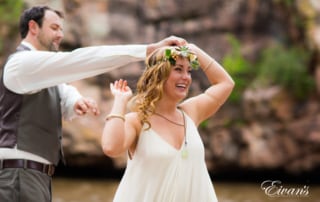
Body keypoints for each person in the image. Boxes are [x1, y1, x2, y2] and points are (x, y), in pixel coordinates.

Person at [0, 5, 187, 202]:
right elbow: (78, 61)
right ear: (33, 27)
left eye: (62, 29)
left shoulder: (40, 74)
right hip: (17, 176)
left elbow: (64, 90)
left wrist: (76, 101)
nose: (60, 35)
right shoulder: (20, 64)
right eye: (54, 28)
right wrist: (147, 50)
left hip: (33, 177)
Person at [101, 43, 235, 201]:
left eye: (189, 71)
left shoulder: (191, 113)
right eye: (178, 69)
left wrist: (194, 49)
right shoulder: (137, 120)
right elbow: (111, 148)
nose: (186, 77)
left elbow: (226, 83)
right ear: (159, 75)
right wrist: (120, 101)